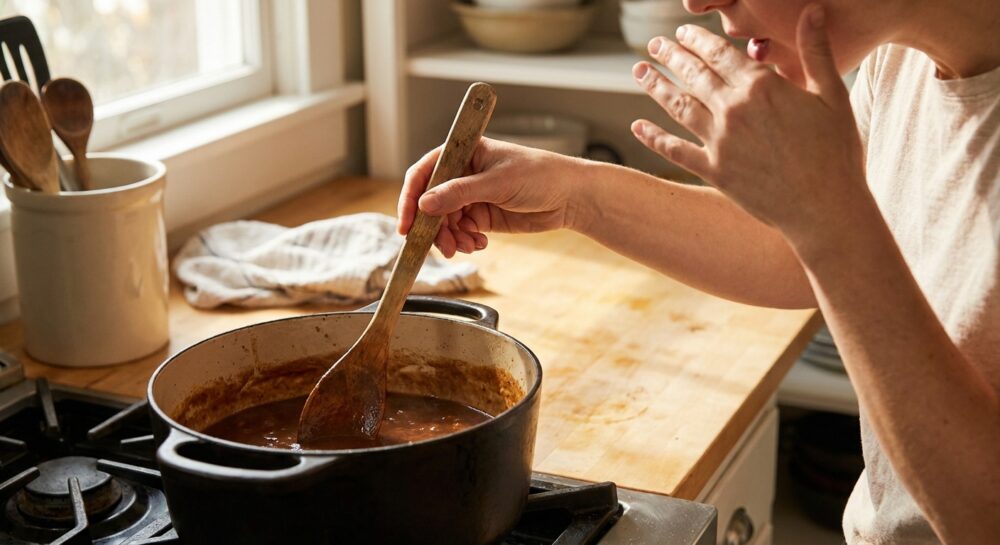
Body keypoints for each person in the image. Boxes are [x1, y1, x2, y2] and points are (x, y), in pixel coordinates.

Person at [396, 0, 1000, 543]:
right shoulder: (902, 60)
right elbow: (800, 252)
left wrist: (830, 223)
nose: (696, 2)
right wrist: (573, 192)